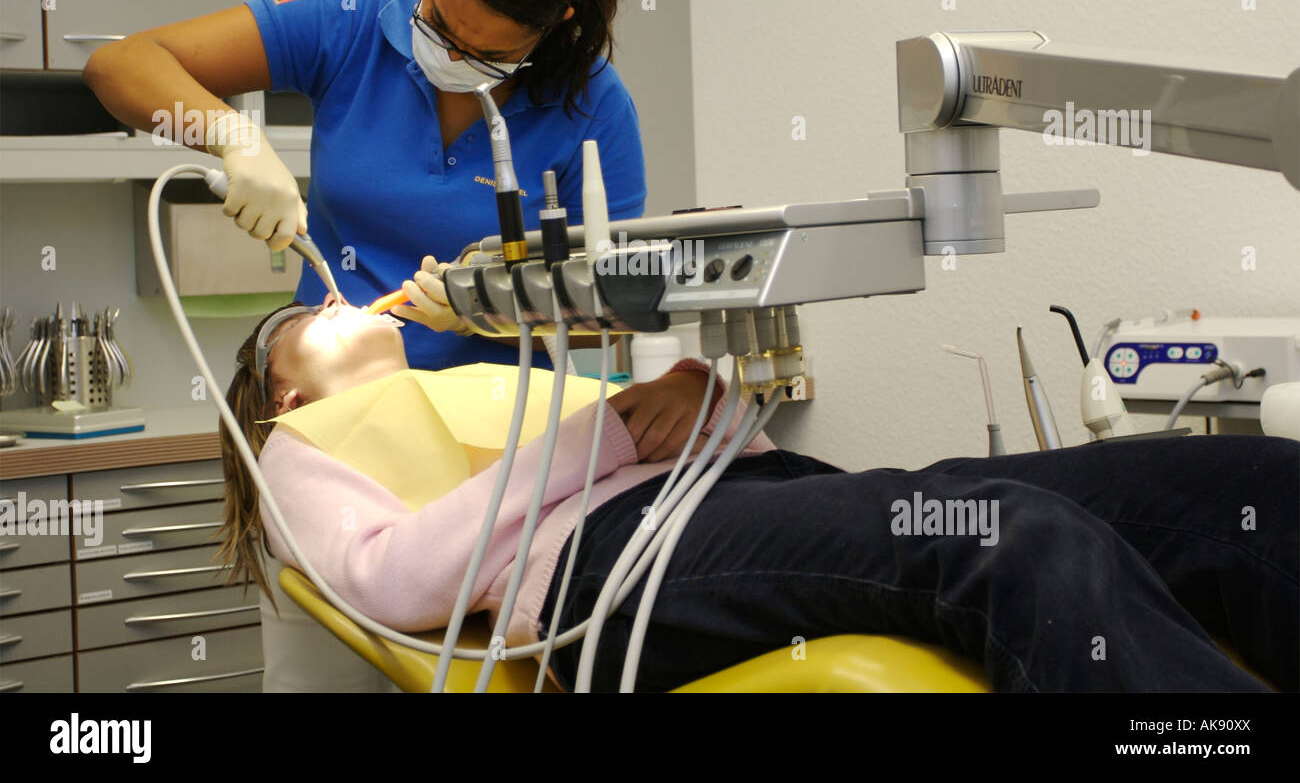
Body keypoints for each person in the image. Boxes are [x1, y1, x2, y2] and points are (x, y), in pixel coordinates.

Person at [218, 301, 1299, 693]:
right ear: (281, 380)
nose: (342, 295)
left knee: (1236, 482)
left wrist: (698, 404)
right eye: (313, 308)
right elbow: (388, 581)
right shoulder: (295, 451)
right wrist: (597, 431)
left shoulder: (483, 378)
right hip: (609, 573)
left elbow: (728, 448)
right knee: (1015, 541)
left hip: (740, 501)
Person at [85, 0, 647, 372]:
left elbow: (616, 311)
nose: (452, 57)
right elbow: (119, 66)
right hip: (337, 409)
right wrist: (233, 136)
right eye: (440, 25)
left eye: (487, 53)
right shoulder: (348, 23)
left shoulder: (592, 106)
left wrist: (487, 311)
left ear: (557, 22)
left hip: (502, 432)